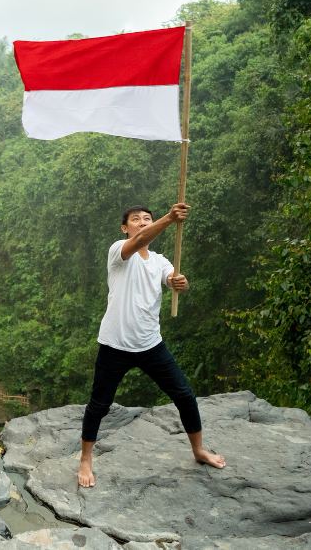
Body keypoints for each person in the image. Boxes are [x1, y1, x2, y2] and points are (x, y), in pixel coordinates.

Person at [78, 203, 226, 488]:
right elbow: (140, 241)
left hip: (150, 344)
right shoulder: (119, 251)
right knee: (99, 405)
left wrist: (179, 282)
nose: (143, 223)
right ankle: (85, 459)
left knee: (185, 396)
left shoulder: (159, 261)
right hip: (115, 343)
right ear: (125, 228)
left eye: (148, 219)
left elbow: (171, 280)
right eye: (136, 220)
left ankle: (198, 451)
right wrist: (169, 218)